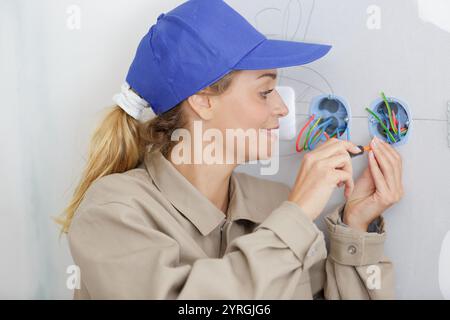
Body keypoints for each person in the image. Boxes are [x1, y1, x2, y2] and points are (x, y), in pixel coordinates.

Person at [58, 0, 403, 299]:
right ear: (202, 101)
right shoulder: (112, 212)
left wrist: (354, 230)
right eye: (265, 92)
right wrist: (296, 217)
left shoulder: (275, 203)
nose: (282, 109)